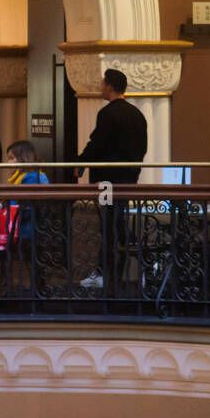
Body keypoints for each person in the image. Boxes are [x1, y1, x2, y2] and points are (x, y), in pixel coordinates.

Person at [75, 69, 148, 291]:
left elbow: (97, 143)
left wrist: (80, 163)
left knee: (109, 225)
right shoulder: (137, 115)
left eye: (102, 84)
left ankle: (104, 273)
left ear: (109, 86)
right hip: (128, 180)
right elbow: (142, 148)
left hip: (108, 182)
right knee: (120, 223)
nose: (101, 88)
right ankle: (144, 267)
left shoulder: (107, 114)